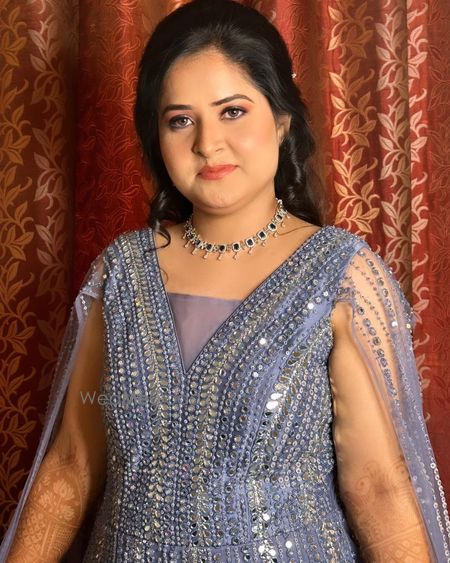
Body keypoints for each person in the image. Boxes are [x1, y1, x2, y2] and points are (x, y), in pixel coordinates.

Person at [1, 0, 450, 561]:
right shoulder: (122, 273)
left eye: (232, 111)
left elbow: (378, 486)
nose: (207, 143)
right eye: (180, 119)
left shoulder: (339, 275)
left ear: (281, 120)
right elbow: (72, 465)